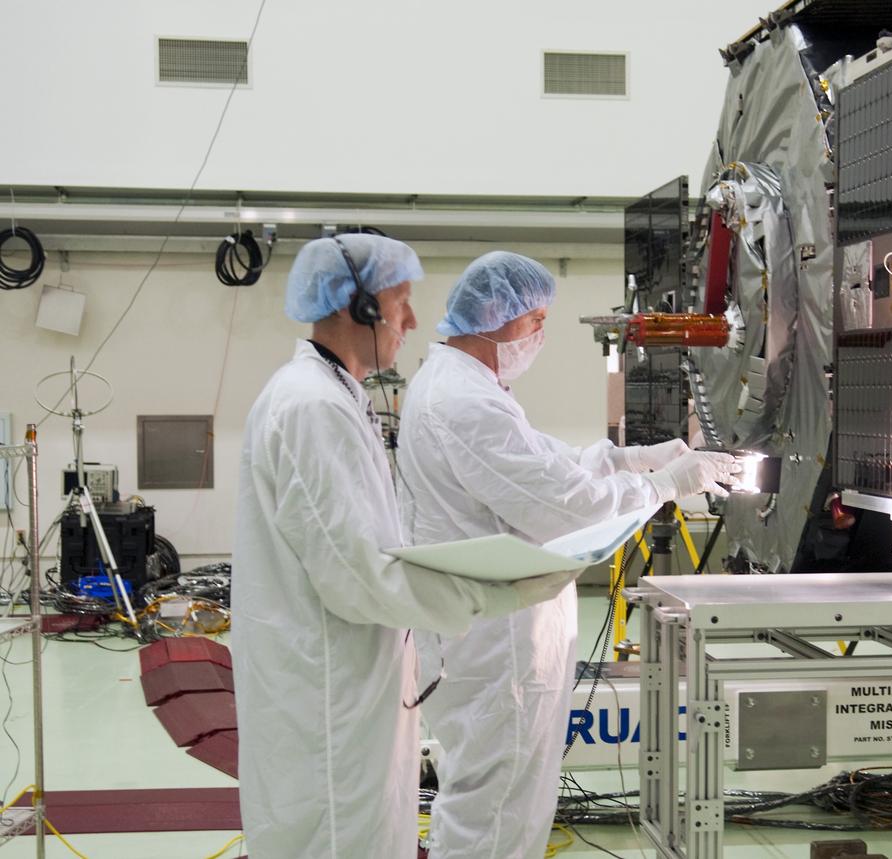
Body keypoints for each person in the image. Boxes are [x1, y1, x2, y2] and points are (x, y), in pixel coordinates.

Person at [232, 236, 578, 858]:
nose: (414, 321)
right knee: (341, 841)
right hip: (328, 698)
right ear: (357, 308)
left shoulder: (335, 394)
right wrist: (500, 587)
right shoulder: (311, 407)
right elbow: (360, 576)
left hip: (352, 681)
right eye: (401, 302)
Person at [398, 251, 735, 858]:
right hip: (493, 648)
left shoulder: (468, 387)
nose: (541, 336)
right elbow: (562, 506)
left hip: (491, 636)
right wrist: (665, 485)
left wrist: (630, 459)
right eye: (536, 321)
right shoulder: (463, 402)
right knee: (494, 813)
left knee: (505, 805)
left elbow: (541, 466)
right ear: (495, 318)